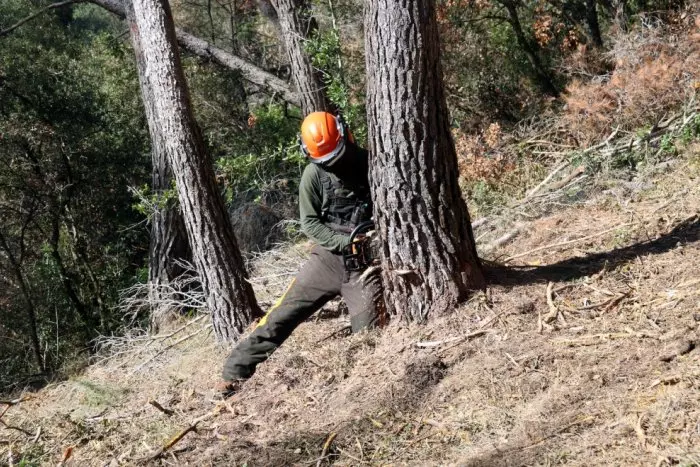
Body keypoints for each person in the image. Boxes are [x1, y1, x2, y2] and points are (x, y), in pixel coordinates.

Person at [216, 111, 384, 396]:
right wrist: (342, 243)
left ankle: (359, 389)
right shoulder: (313, 175)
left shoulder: (370, 163)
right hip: (328, 260)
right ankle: (234, 371)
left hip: (364, 266)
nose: (333, 163)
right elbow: (310, 223)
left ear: (344, 135)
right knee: (282, 314)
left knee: (368, 334)